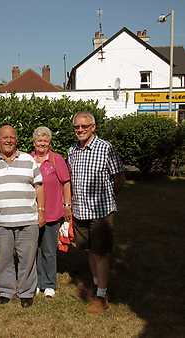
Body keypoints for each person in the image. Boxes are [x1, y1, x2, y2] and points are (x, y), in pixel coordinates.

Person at [0, 125, 45, 308]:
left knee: (27, 259)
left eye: (12, 137)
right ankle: (6, 291)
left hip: (27, 220)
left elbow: (39, 186)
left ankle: (26, 292)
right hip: (1, 221)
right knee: (5, 258)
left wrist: (41, 211)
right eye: (4, 137)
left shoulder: (29, 160)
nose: (8, 140)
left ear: (16, 140)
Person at [67, 111, 124, 314]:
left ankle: (102, 294)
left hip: (100, 211)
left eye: (84, 126)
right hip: (80, 211)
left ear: (93, 127)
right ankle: (96, 285)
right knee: (89, 250)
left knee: (101, 253)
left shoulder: (105, 148)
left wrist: (108, 199)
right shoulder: (72, 150)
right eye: (77, 127)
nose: (80, 130)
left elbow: (119, 178)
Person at [31, 126, 71, 298]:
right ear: (34, 142)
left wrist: (67, 205)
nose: (42, 143)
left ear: (50, 143)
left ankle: (49, 283)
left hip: (52, 212)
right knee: (33, 249)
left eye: (45, 141)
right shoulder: (28, 159)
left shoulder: (56, 159)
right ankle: (37, 281)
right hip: (31, 212)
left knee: (48, 249)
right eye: (39, 140)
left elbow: (66, 183)